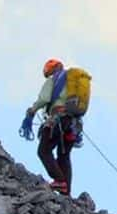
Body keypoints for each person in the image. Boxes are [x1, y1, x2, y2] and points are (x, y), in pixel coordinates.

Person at [26, 58, 79, 195]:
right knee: (64, 155)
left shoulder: (53, 80)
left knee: (44, 151)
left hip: (57, 119)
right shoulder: (73, 84)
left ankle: (60, 181)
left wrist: (32, 111)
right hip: (73, 123)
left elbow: (44, 99)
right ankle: (66, 192)